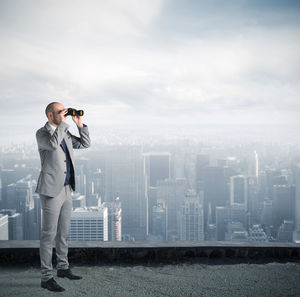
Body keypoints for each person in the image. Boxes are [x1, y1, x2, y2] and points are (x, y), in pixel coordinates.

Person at [35, 102, 91, 292]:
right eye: (61, 112)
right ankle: (46, 277)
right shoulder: (42, 134)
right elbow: (52, 145)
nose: (64, 114)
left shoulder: (64, 131)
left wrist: (79, 124)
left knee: (63, 233)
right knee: (48, 235)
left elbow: (85, 143)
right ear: (50, 115)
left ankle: (63, 267)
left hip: (67, 188)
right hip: (51, 190)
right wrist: (63, 126)